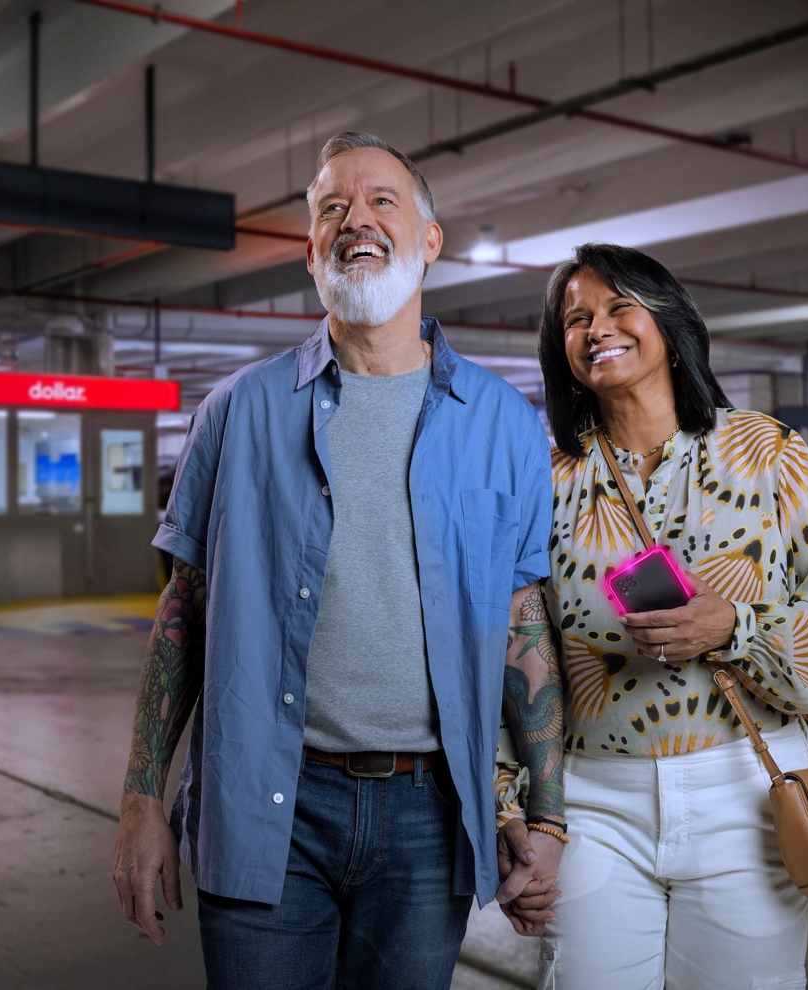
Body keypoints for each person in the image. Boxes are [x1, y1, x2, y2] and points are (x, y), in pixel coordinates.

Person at [110, 132, 565, 990]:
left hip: (429, 817)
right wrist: (141, 795)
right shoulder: (237, 411)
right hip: (264, 805)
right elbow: (185, 611)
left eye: (382, 200)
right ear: (312, 250)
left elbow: (521, 617)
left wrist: (545, 815)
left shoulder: (502, 422)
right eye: (332, 208)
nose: (356, 219)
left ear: (430, 239)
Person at [496, 243, 808, 990]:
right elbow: (514, 652)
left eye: (617, 306)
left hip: (749, 789)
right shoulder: (543, 480)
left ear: (668, 320)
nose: (596, 327)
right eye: (575, 319)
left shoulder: (766, 453)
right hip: (594, 798)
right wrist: (517, 808)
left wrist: (736, 627)